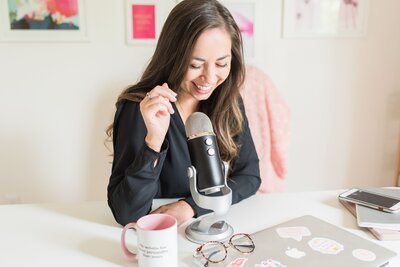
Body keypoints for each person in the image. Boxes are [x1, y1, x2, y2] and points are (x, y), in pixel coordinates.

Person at [106, 0, 261, 226]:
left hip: (213, 228)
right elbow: (127, 213)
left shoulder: (229, 102)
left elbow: (249, 177)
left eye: (221, 63)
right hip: (164, 238)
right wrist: (154, 142)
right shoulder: (139, 108)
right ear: (174, 58)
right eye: (195, 65)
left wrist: (191, 206)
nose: (209, 78)